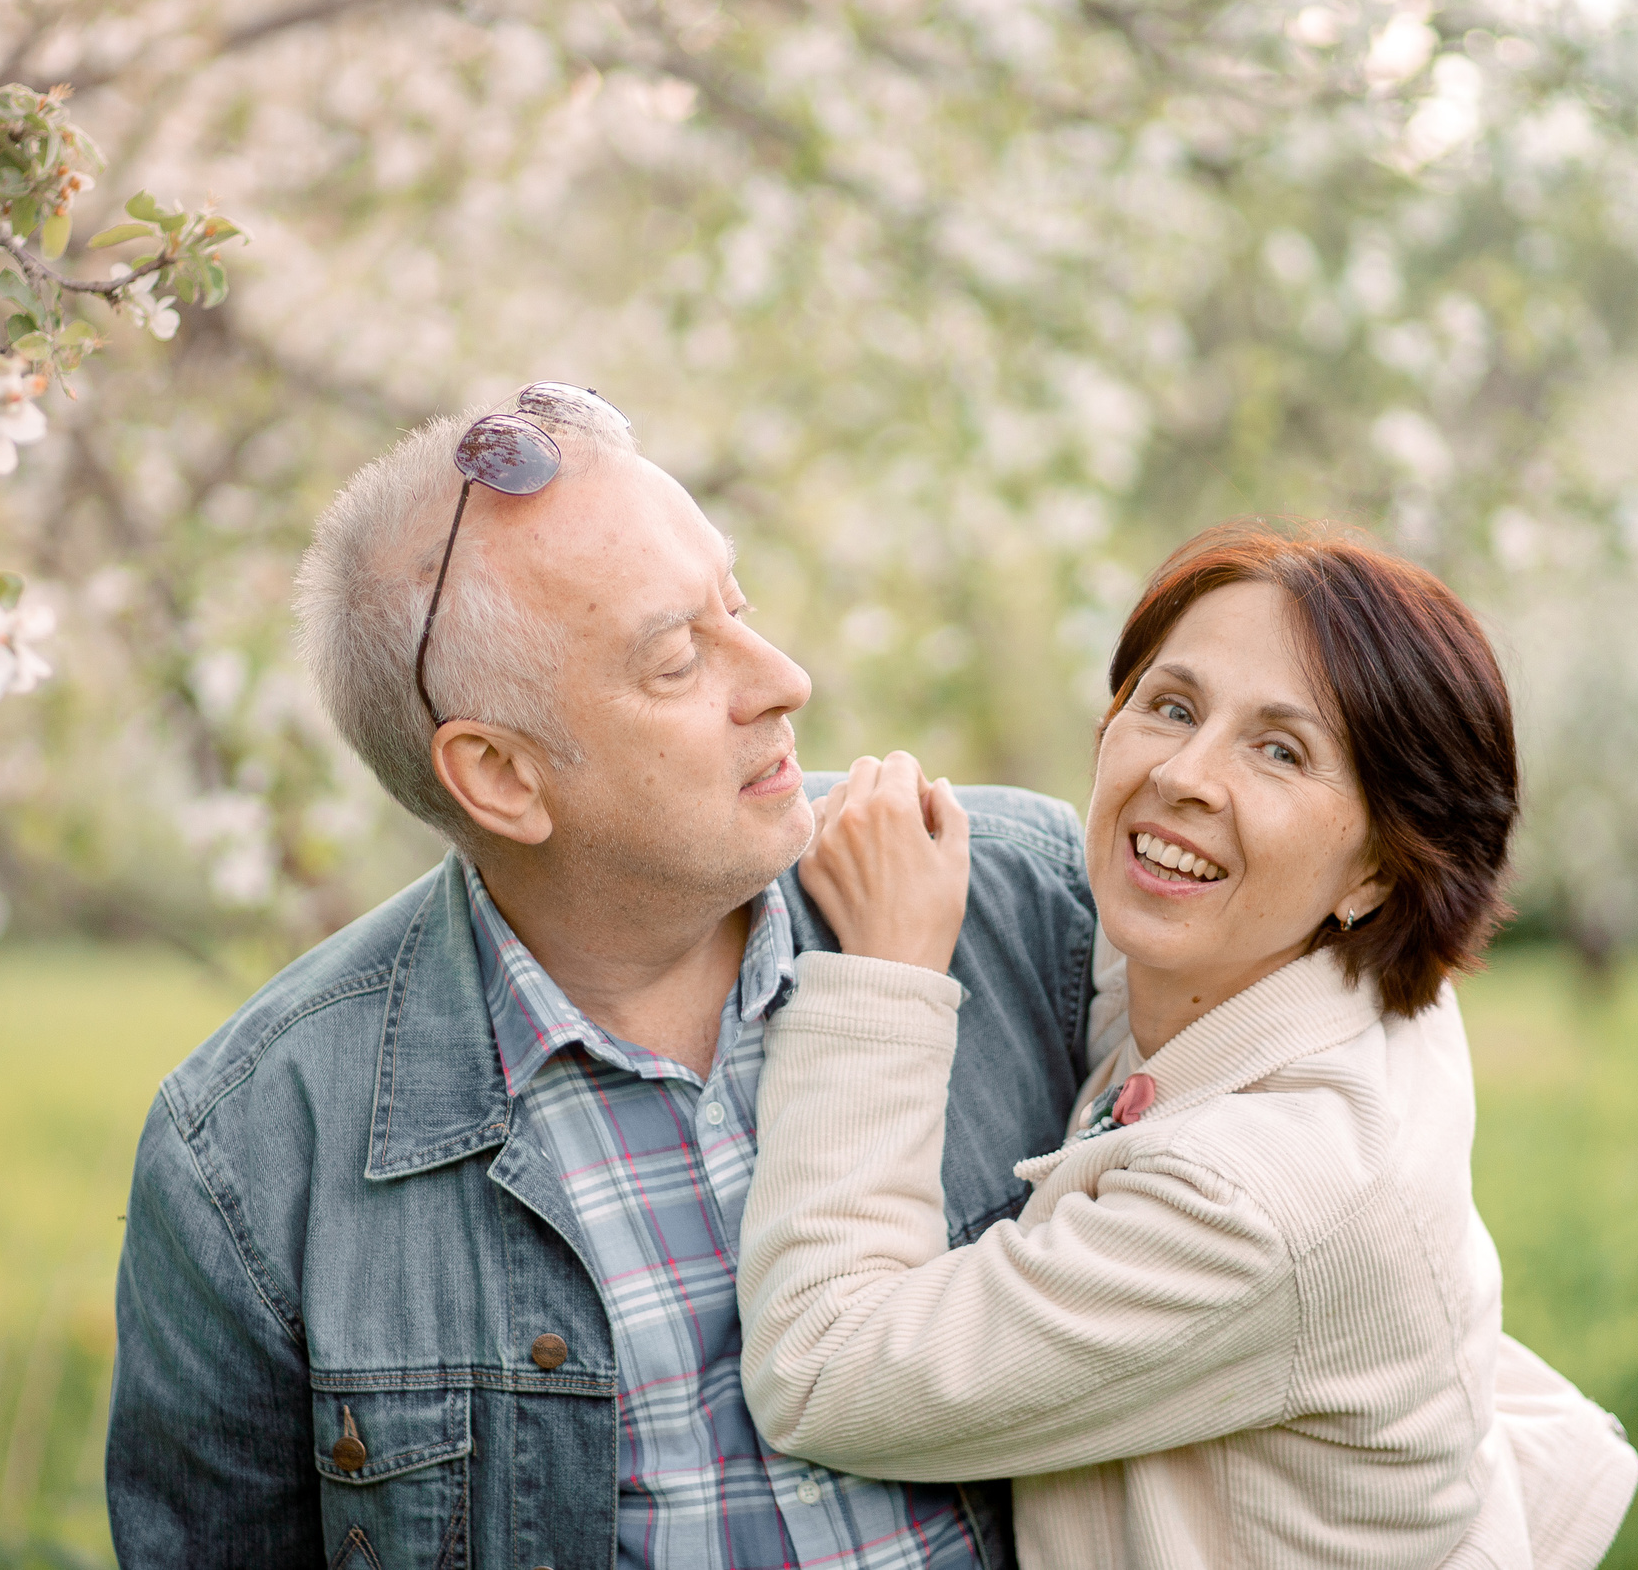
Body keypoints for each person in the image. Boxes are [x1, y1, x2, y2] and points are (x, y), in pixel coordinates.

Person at [103, 383, 1101, 1570]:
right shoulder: (249, 1155)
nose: (784, 679)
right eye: (678, 660)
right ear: (500, 776)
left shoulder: (1020, 900)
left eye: (737, 605)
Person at [735, 525, 1638, 1570]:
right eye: (1170, 706)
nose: (1185, 775)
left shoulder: (1262, 1191)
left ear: (1380, 870)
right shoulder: (1302, 969)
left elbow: (825, 1371)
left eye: (1281, 750)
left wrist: (889, 975)